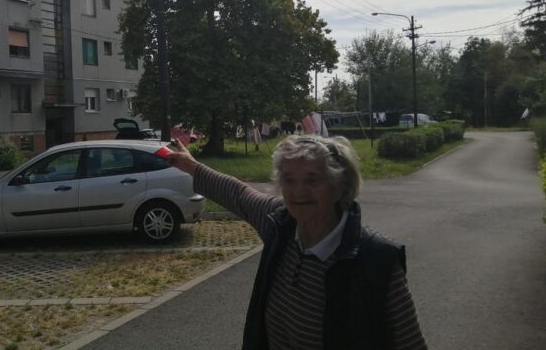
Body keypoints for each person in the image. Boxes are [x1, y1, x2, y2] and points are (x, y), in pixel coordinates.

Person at [165, 135, 426, 349]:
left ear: (338, 186)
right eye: (289, 180)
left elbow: (410, 344)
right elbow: (239, 194)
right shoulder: (279, 224)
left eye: (312, 180)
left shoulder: (377, 262)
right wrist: (191, 166)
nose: (299, 191)